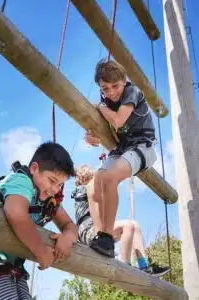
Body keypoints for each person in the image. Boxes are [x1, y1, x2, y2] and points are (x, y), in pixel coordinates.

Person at [0, 141, 78, 299]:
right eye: (52, 181)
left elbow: (70, 225)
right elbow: (16, 213)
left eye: (60, 185)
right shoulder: (21, 181)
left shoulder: (48, 200)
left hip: (11, 267)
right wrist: (41, 252)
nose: (55, 189)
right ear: (34, 169)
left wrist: (68, 237)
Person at [85, 59, 157, 257]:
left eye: (115, 86)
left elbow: (117, 120)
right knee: (92, 187)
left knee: (109, 177)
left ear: (124, 80)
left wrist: (99, 107)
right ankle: (101, 236)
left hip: (143, 146)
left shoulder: (132, 92)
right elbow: (94, 135)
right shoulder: (106, 102)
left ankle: (107, 237)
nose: (111, 92)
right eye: (104, 88)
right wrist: (91, 136)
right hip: (121, 149)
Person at [73, 165, 170, 277]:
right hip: (88, 232)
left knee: (135, 225)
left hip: (97, 230)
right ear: (85, 179)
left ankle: (144, 266)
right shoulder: (82, 190)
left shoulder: (92, 190)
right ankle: (124, 265)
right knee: (127, 226)